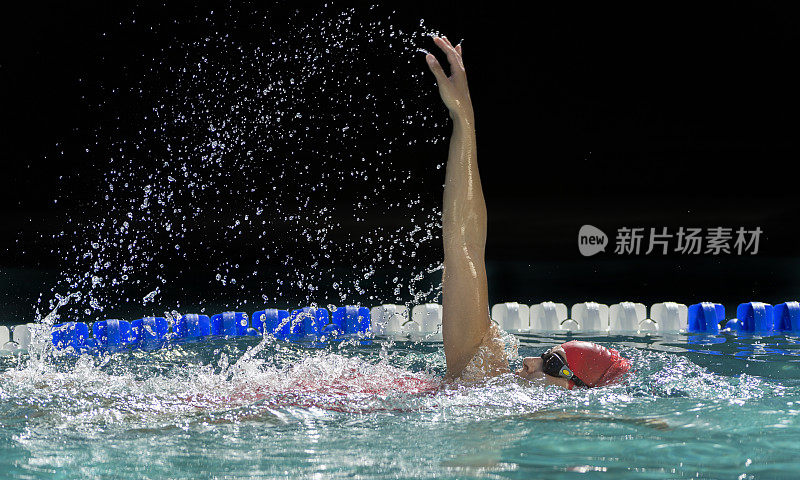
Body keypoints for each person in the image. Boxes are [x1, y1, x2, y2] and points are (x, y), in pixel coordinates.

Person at [424, 35, 630, 388]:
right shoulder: (483, 372)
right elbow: (464, 245)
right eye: (546, 353)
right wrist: (464, 117)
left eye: (551, 361)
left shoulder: (482, 381)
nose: (530, 359)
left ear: (571, 386)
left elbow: (463, 247)